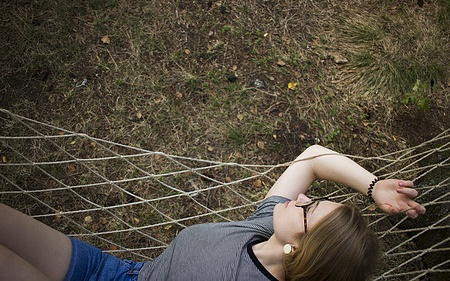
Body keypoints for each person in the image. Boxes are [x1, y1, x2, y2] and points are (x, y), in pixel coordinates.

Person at [0, 145, 425, 280]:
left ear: (302, 249)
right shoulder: (266, 229)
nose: (300, 198)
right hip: (120, 273)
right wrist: (372, 186)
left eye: (309, 210)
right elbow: (312, 159)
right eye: (311, 198)